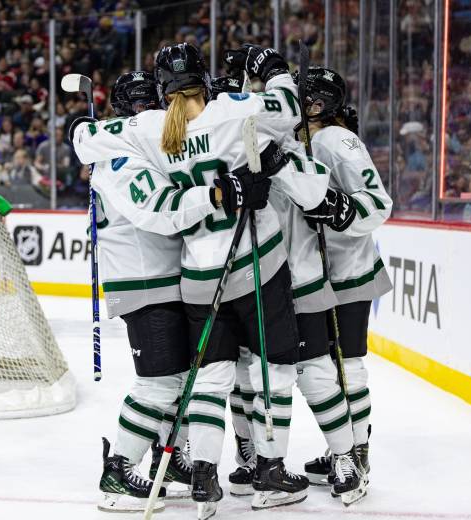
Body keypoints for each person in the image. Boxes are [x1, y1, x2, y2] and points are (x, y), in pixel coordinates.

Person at [72, 43, 328, 518]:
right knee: (273, 367)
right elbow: (290, 109)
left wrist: (79, 129)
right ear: (203, 80)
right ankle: (269, 468)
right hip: (253, 260)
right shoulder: (231, 111)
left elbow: (87, 137)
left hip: (194, 272)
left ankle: (203, 475)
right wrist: (273, 70)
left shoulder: (146, 129)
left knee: (207, 376)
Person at [88, 71, 200, 513]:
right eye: (134, 107)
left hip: (159, 279)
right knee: (159, 382)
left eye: (147, 104)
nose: (144, 114)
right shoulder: (120, 156)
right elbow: (160, 213)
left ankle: (170, 461)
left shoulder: (130, 147)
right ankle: (119, 470)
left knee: (179, 379)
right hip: (145, 282)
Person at [297, 67, 393, 501]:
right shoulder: (306, 139)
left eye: (310, 100)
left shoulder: (337, 139)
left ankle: (357, 452)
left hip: (349, 270)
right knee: (331, 367)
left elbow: (378, 203)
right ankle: (345, 449)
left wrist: (338, 209)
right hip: (324, 271)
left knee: (347, 366)